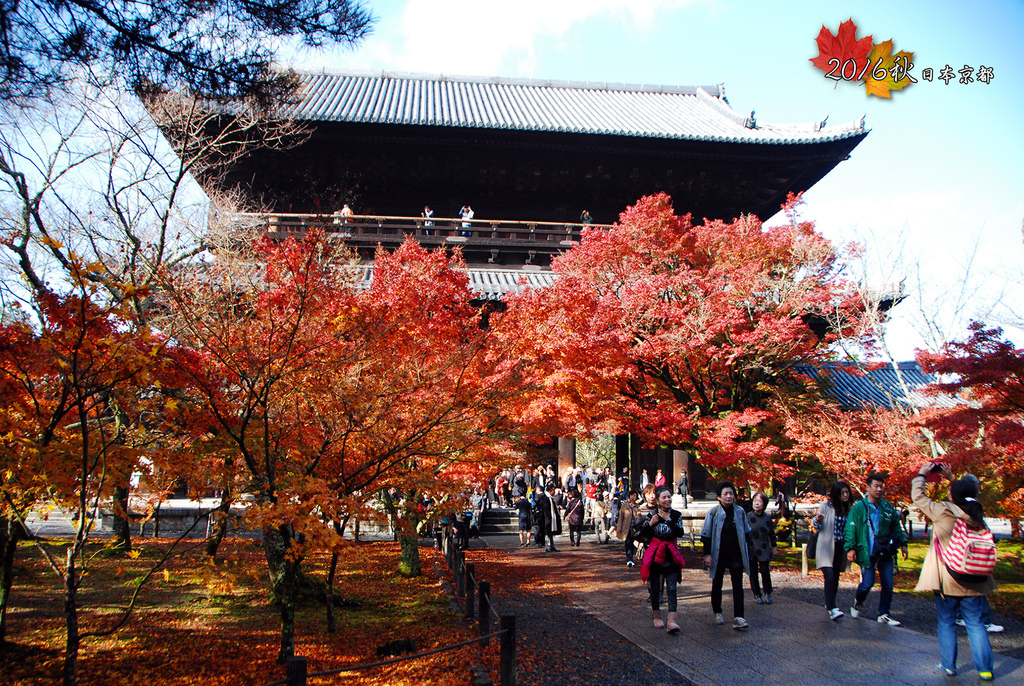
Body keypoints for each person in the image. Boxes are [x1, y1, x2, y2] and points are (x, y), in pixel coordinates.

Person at [912, 463, 996, 681]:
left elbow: (918, 497)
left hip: (948, 578)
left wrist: (922, 474)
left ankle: (949, 666)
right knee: (976, 624)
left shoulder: (944, 511)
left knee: (947, 622)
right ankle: (985, 670)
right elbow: (966, 495)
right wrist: (952, 478)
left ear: (951, 494)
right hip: (975, 578)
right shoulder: (978, 514)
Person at [845, 472, 908, 626]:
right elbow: (850, 529)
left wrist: (903, 543)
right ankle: (858, 602)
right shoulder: (859, 508)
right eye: (876, 486)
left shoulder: (887, 507)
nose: (879, 489)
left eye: (881, 486)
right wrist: (850, 548)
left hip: (885, 551)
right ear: (868, 487)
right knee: (867, 583)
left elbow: (896, 527)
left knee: (888, 584)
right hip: (867, 551)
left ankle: (884, 613)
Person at [635, 485, 687, 634]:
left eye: (669, 497)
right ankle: (657, 616)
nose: (667, 499)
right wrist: (650, 525)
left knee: (672, 588)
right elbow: (642, 533)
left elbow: (680, 532)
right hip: (656, 555)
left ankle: (672, 620)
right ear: (657, 500)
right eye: (663, 497)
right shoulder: (652, 516)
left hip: (671, 555)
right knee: (656, 589)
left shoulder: (676, 515)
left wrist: (668, 520)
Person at [701, 481, 751, 630]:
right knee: (717, 584)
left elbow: (747, 532)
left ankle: (739, 616)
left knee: (738, 586)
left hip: (736, 554)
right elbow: (706, 535)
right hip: (719, 553)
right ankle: (717, 611)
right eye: (725, 494)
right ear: (719, 496)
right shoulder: (714, 512)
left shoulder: (740, 511)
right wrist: (707, 554)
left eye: (731, 493)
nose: (728, 496)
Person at [814, 480, 852, 620]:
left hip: (839, 546)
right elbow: (817, 526)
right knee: (829, 575)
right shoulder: (826, 505)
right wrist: (817, 521)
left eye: (847, 492)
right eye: (842, 493)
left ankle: (830, 602)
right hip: (825, 545)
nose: (845, 495)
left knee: (835, 576)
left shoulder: (848, 509)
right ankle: (832, 608)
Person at [747, 491, 777, 605]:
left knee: (765, 571)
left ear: (764, 504)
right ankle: (757, 594)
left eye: (759, 501)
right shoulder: (748, 516)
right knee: (753, 573)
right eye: (755, 501)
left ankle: (768, 592)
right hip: (751, 548)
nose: (756, 504)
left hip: (763, 547)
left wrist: (774, 546)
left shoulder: (767, 518)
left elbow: (772, 534)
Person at [534, 483, 562, 552]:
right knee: (547, 533)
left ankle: (552, 546)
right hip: (546, 518)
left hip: (552, 518)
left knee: (551, 533)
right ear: (550, 490)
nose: (554, 492)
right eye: (554, 490)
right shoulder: (544, 497)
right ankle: (548, 546)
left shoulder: (551, 498)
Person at [616, 490, 641, 567]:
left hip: (635, 528)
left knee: (633, 544)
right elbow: (621, 517)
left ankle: (631, 558)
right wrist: (619, 528)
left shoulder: (638, 506)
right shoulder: (625, 505)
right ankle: (629, 559)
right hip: (627, 528)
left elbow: (639, 517)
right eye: (632, 495)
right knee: (628, 543)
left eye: (635, 495)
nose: (633, 497)